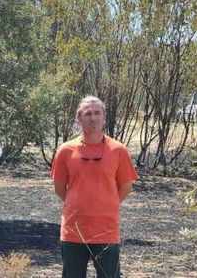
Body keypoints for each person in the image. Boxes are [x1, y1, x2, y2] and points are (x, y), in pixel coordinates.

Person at [50, 96, 138, 278]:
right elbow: (59, 187)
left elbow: (126, 186)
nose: (93, 118)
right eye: (87, 114)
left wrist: (106, 204)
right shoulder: (65, 150)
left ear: (104, 117)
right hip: (73, 231)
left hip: (106, 230)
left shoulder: (118, 150)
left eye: (97, 113)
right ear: (78, 118)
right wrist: (78, 205)